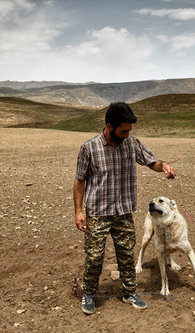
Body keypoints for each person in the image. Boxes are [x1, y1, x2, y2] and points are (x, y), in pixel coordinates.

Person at [73, 102, 176, 315]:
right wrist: (78, 211)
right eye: (123, 130)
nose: (127, 135)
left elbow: (151, 162)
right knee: (94, 257)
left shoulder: (132, 144)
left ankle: (129, 292)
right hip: (98, 213)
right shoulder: (89, 148)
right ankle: (89, 294)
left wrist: (164, 166)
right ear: (109, 126)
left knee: (126, 253)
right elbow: (80, 181)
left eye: (130, 131)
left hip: (123, 211)